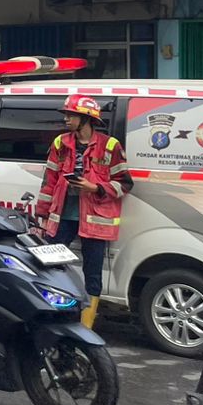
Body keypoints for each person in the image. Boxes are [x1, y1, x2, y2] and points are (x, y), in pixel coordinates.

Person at [36, 95, 131, 329]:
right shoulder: (61, 143)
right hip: (63, 217)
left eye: (71, 115)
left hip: (95, 220)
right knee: (48, 264)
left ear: (87, 119)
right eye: (66, 115)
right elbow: (49, 181)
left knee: (93, 273)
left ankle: (85, 326)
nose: (66, 119)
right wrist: (42, 215)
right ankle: (52, 316)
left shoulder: (110, 145)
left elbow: (125, 183)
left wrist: (95, 187)